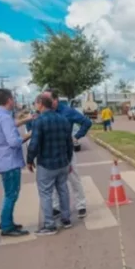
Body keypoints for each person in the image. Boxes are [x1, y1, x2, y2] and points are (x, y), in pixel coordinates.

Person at [0, 88, 31, 237]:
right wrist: (29, 134)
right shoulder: (5, 118)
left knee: (8, 193)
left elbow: (11, 125)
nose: (14, 101)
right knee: (12, 194)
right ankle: (6, 226)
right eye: (13, 99)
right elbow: (14, 142)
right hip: (10, 161)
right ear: (9, 100)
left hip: (1, 160)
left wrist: (27, 119)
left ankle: (7, 221)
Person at [27, 95, 74, 235]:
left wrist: (29, 160)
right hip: (62, 162)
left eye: (35, 103)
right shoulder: (63, 120)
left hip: (46, 164)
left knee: (46, 193)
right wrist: (69, 160)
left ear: (41, 104)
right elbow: (69, 144)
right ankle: (66, 219)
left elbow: (34, 144)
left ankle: (49, 225)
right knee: (63, 190)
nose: (35, 105)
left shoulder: (39, 121)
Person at [42, 89, 92, 219]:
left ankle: (81, 205)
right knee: (53, 181)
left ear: (55, 99)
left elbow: (87, 122)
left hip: (66, 150)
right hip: (51, 152)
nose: (44, 102)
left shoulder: (67, 111)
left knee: (73, 177)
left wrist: (76, 137)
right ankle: (56, 207)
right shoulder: (45, 112)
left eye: (48, 99)